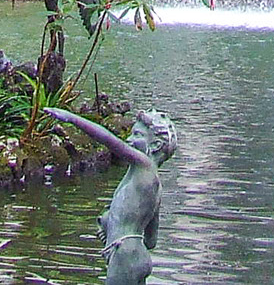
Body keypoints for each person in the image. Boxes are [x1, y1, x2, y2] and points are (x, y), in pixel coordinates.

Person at [42, 107, 177, 284]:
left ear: (156, 145)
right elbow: (151, 241)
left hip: (125, 256)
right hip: (137, 256)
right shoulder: (154, 185)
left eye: (137, 135)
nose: (129, 139)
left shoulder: (144, 166)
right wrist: (112, 226)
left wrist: (71, 118)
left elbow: (109, 140)